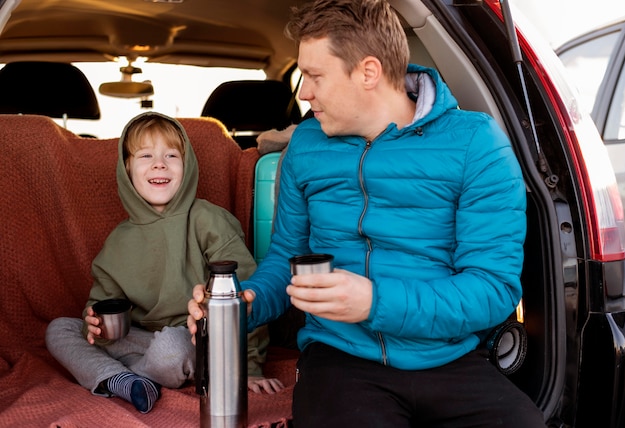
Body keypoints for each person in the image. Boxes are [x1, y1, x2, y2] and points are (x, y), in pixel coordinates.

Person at [189, 0, 545, 426]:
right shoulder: (306, 145)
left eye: (315, 76)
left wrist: (374, 302)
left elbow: (492, 289)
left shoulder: (476, 144)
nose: (303, 92)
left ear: (368, 72)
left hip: (449, 356)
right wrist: (242, 305)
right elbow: (286, 262)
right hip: (340, 357)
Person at [46, 112, 283, 414]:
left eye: (171, 155)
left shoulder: (208, 220)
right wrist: (93, 321)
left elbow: (244, 297)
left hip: (198, 341)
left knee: (170, 346)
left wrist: (247, 367)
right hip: (140, 341)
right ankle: (123, 379)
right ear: (127, 169)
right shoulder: (118, 242)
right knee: (60, 329)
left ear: (188, 166)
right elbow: (101, 305)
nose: (159, 163)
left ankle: (122, 376)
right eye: (146, 155)